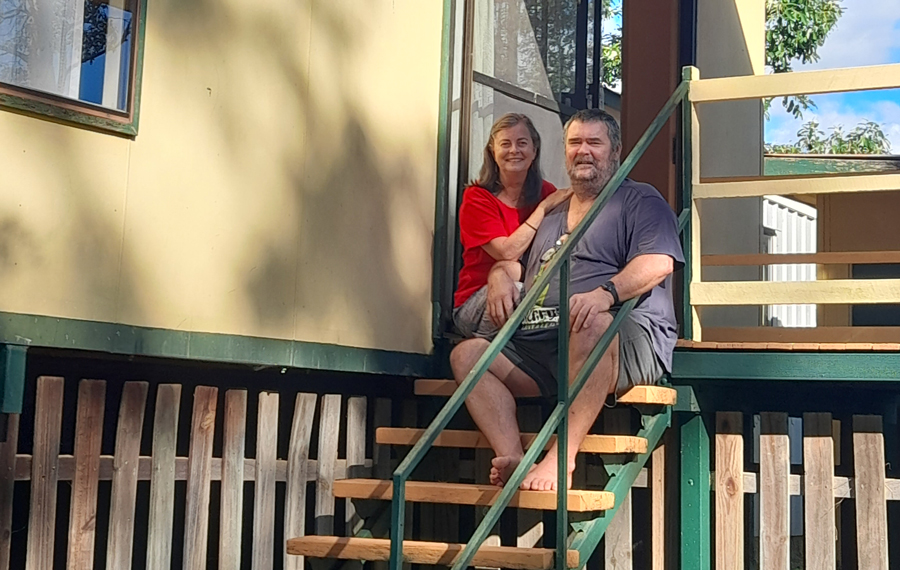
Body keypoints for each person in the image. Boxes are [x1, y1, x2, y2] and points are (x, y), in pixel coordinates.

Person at [449, 109, 684, 491]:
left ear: (616, 151)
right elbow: (518, 265)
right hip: (547, 342)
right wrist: (498, 275)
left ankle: (561, 459)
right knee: (466, 355)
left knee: (591, 323)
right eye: (575, 143)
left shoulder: (639, 200)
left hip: (626, 340)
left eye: (595, 142)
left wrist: (605, 294)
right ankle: (513, 457)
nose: (583, 151)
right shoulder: (554, 211)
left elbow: (658, 263)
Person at [454, 113, 572, 338]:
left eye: (522, 143)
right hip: (475, 300)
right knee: (524, 299)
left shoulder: (547, 193)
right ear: (492, 151)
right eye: (505, 144)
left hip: (527, 290)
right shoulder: (477, 197)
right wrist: (542, 210)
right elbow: (506, 252)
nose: (514, 150)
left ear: (534, 150)